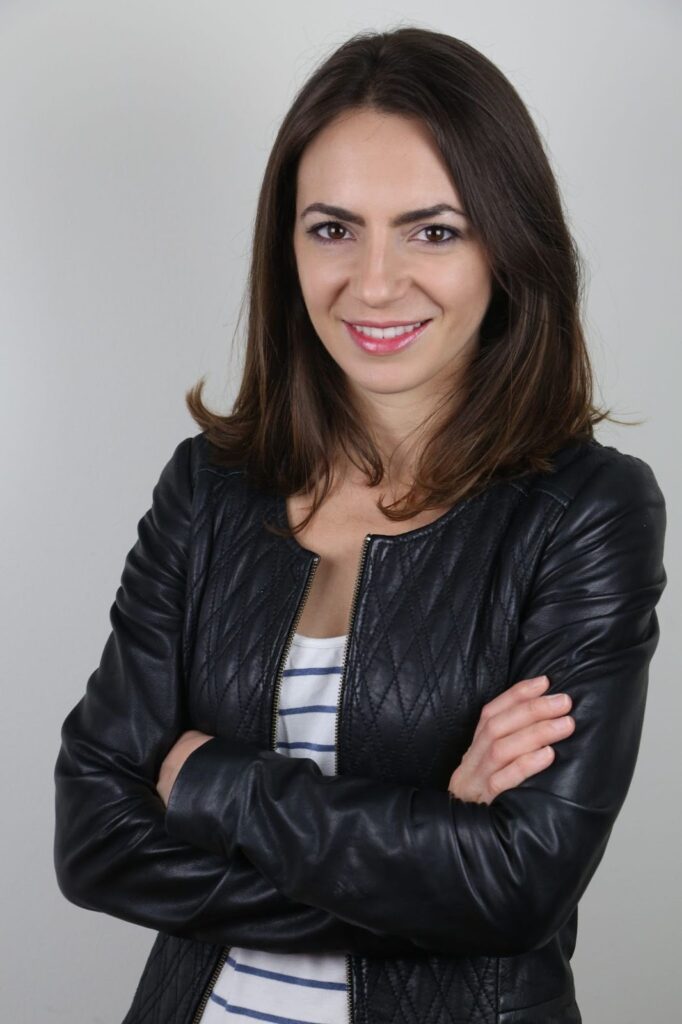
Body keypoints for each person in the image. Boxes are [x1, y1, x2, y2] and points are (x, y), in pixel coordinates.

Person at [53, 26, 667, 1024]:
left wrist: (210, 782)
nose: (374, 283)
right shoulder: (208, 489)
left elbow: (523, 886)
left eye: (434, 231)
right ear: (286, 245)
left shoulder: (586, 513)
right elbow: (93, 840)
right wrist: (437, 853)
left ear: (506, 246)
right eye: (333, 228)